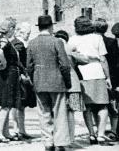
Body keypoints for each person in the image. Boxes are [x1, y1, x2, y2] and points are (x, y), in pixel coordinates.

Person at [26, 15, 72, 151]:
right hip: (57, 81)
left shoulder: (32, 43)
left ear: (39, 27)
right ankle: (60, 143)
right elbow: (65, 65)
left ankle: (48, 142)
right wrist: (67, 82)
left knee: (43, 112)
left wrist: (33, 78)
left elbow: (29, 66)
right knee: (59, 113)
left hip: (39, 82)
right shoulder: (57, 41)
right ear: (51, 26)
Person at [68, 16, 112, 145]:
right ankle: (101, 134)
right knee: (102, 105)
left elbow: (70, 56)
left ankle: (91, 134)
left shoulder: (73, 39)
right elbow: (103, 59)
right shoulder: (97, 38)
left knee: (87, 106)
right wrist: (108, 77)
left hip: (82, 73)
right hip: (97, 72)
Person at [0, 18, 25, 143]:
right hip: (6, 75)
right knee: (6, 104)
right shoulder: (3, 39)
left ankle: (5, 132)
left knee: (7, 104)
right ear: (10, 29)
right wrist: (3, 62)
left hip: (6, 75)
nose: (14, 31)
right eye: (14, 28)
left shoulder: (1, 39)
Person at [94, 18, 119, 141]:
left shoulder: (91, 41)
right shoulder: (113, 42)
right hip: (114, 78)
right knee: (118, 105)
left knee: (99, 105)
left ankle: (99, 131)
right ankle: (118, 131)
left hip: (95, 76)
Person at [54, 29, 86, 145]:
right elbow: (85, 59)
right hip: (73, 84)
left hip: (58, 84)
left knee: (57, 112)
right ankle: (71, 139)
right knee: (71, 112)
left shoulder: (55, 47)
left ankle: (60, 138)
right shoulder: (70, 47)